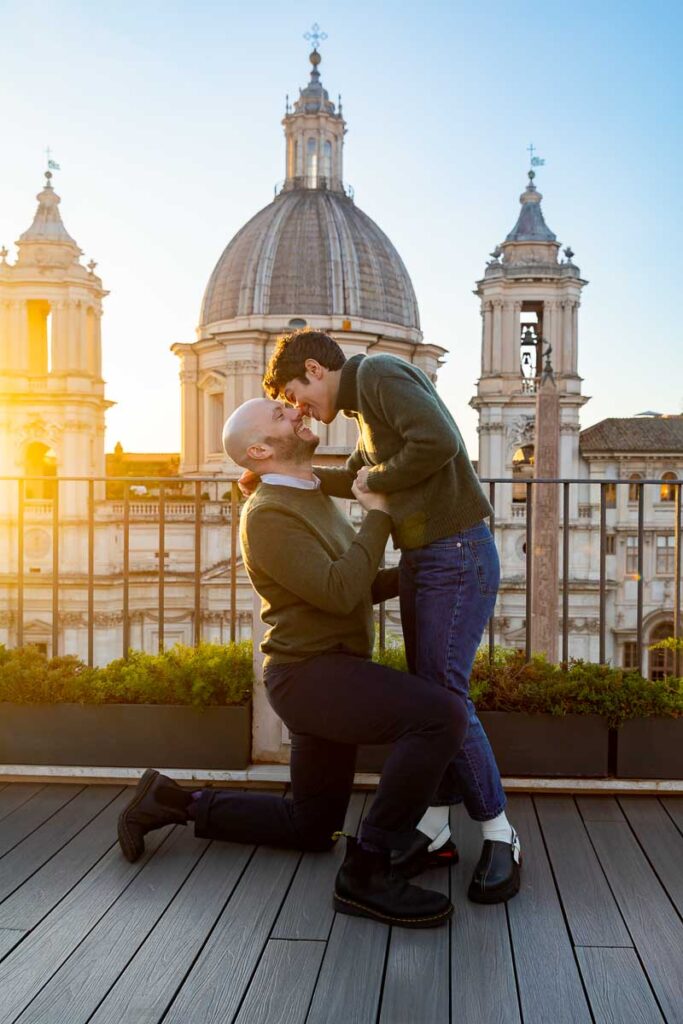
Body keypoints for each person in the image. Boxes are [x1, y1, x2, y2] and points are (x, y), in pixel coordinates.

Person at [117, 397, 469, 929]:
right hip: (311, 677)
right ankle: (367, 871)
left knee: (311, 826)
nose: (297, 414)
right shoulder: (267, 516)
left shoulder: (306, 495)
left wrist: (433, 570)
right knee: (441, 716)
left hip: (328, 672)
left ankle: (172, 800)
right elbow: (338, 589)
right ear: (259, 450)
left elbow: (356, 585)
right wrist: (377, 514)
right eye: (280, 416)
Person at [250, 329, 521, 904]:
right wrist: (276, 477)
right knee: (433, 695)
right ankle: (437, 828)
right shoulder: (364, 412)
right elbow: (357, 478)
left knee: (446, 696)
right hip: (429, 555)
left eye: (297, 394)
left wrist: (378, 482)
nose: (301, 409)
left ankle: (501, 834)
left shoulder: (375, 375)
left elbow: (440, 441)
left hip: (455, 550)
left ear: (317, 370)